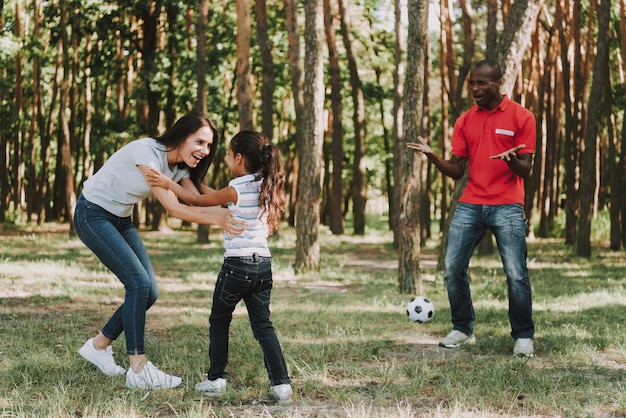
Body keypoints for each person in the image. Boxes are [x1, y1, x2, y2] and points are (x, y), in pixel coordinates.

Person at [74, 111, 245, 389]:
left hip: (120, 219)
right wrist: (219, 219)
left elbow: (200, 199)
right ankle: (138, 370)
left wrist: (244, 208)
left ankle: (98, 346)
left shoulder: (179, 168)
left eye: (209, 146)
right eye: (199, 142)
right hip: (92, 214)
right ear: (182, 135)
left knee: (148, 291)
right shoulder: (147, 153)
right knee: (138, 284)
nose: (205, 150)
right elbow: (175, 207)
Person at [146, 130, 293, 402]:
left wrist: (167, 182)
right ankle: (281, 384)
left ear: (238, 157)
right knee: (262, 325)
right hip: (263, 265)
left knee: (219, 321)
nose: (226, 159)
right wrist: (195, 182)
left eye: (227, 154)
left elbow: (198, 202)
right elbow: (217, 197)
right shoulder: (265, 184)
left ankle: (216, 380)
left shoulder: (238, 186)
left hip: (237, 265)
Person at [406, 59, 536, 357]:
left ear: (497, 83)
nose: (476, 88)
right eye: (472, 83)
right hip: (471, 202)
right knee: (452, 267)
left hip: (507, 205)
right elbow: (456, 170)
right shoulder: (465, 121)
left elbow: (525, 169)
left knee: (515, 273)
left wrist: (510, 160)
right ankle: (463, 328)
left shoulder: (522, 117)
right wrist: (434, 157)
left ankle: (523, 336)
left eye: (482, 83)